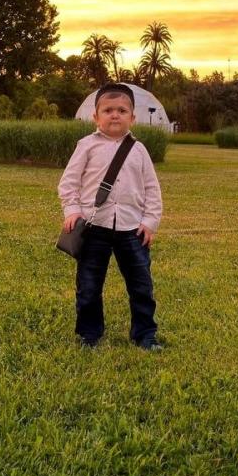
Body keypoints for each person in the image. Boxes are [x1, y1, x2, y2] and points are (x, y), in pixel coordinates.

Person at [58, 82, 163, 350]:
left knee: (141, 286)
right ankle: (89, 335)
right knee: (89, 286)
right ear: (96, 117)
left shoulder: (139, 150)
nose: (114, 115)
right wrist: (72, 211)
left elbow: (152, 188)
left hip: (132, 229)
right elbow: (68, 183)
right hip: (95, 228)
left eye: (121, 110)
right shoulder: (87, 146)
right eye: (107, 110)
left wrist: (149, 222)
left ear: (132, 117)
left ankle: (145, 334)